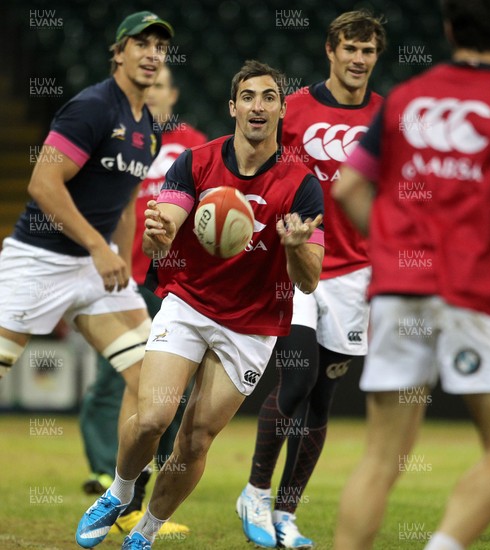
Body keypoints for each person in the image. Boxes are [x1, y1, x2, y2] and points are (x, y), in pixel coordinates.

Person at [331, 1, 490, 549]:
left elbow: (349, 188)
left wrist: (391, 249)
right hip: (475, 293)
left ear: (448, 28)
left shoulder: (405, 97)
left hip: (399, 294)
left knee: (380, 459)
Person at [75, 59, 325, 550]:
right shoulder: (196, 162)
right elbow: (160, 235)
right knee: (152, 419)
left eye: (270, 97)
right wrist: (160, 231)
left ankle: (145, 532)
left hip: (251, 325)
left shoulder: (302, 186)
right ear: (233, 106)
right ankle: (120, 492)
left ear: (281, 110)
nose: (258, 105)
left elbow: (310, 283)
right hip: (189, 304)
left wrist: (296, 247)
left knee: (195, 440)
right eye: (248, 96)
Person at [237, 10, 386, 549]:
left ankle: (285, 514)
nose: (358, 59)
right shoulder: (292, 107)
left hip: (356, 278)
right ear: (331, 49)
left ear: (376, 56)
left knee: (321, 403)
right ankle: (254, 491)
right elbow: (248, 159)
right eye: (350, 48)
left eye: (368, 51)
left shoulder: (386, 118)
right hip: (298, 265)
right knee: (295, 382)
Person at [0, 10, 172, 450]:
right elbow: (42, 183)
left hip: (95, 273)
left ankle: (122, 500)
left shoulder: (149, 126)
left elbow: (126, 201)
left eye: (160, 47)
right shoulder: (92, 106)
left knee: (151, 380)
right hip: (38, 261)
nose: (152, 55)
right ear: (118, 53)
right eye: (141, 44)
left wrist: (127, 263)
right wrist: (99, 246)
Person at [79, 65, 206, 538]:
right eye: (146, 85)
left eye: (161, 86)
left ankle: (150, 473)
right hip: (121, 276)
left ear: (173, 95)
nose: (153, 93)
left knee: (166, 394)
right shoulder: (119, 139)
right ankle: (103, 472)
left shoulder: (194, 144)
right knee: (114, 382)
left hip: (174, 283)